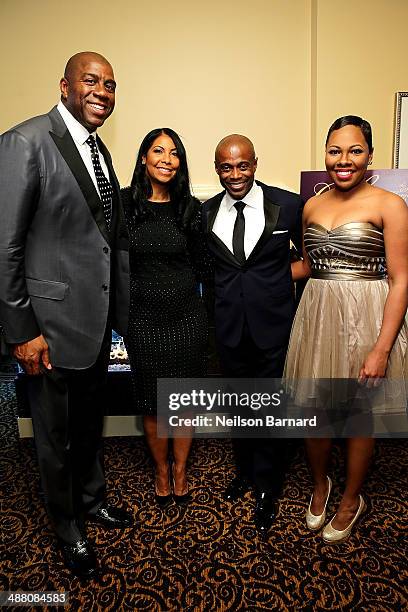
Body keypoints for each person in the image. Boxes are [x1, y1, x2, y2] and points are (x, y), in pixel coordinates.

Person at [0, 52, 132, 578]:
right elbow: (5, 247)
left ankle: (92, 497)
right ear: (65, 86)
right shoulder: (26, 141)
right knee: (54, 436)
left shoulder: (99, 152)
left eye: (111, 84)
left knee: (87, 424)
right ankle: (67, 524)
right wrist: (22, 331)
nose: (102, 90)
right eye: (91, 80)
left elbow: (99, 241)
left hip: (95, 324)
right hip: (47, 329)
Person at [285, 115, 408, 542]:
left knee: (359, 417)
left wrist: (381, 349)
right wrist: (257, 277)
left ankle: (352, 498)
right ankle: (321, 485)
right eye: (335, 150)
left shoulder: (390, 204)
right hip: (318, 316)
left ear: (369, 155)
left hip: (366, 317)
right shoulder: (312, 205)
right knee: (314, 413)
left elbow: (401, 280)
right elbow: (307, 265)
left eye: (354, 150)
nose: (344, 160)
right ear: (325, 154)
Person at [202, 134, 303, 534]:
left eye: (242, 165)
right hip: (228, 328)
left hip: (274, 326)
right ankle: (244, 471)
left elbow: (311, 259)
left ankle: (268, 484)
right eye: (226, 167)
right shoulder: (205, 213)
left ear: (255, 163)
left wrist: (276, 284)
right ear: (217, 169)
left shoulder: (289, 204)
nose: (235, 174)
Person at [121, 128, 211, 507]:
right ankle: (161, 469)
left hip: (187, 319)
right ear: (144, 158)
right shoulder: (125, 206)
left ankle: (180, 468)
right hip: (143, 321)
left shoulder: (190, 208)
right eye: (158, 150)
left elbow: (203, 266)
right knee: (154, 402)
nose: (166, 159)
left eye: (174, 153)